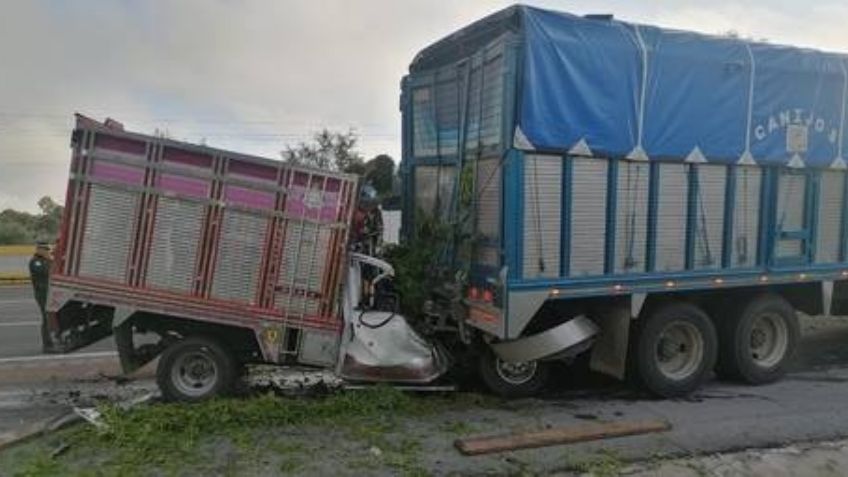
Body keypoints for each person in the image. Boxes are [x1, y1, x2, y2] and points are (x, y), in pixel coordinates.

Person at [28, 242, 55, 353]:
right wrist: (51, 261)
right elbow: (44, 272)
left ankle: (51, 342)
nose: (47, 251)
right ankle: (47, 345)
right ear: (39, 249)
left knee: (49, 318)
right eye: (45, 249)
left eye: (47, 250)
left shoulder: (46, 261)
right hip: (42, 293)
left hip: (49, 293)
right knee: (46, 317)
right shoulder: (36, 262)